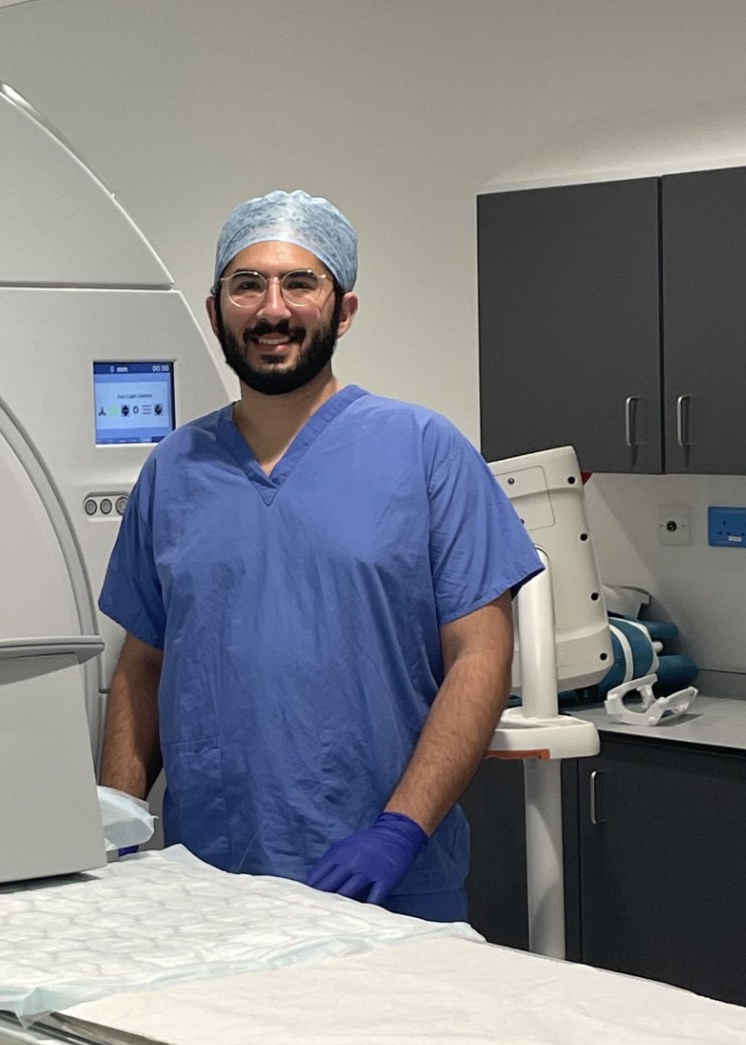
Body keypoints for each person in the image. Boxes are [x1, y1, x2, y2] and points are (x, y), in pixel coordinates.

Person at [97, 190, 542, 922]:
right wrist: (116, 823)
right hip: (209, 881)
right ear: (215, 310)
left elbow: (481, 658)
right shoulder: (174, 470)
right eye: (247, 285)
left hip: (385, 882)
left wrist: (399, 832)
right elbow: (142, 668)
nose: (272, 309)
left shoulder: (425, 452)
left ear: (344, 310)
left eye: (300, 283)